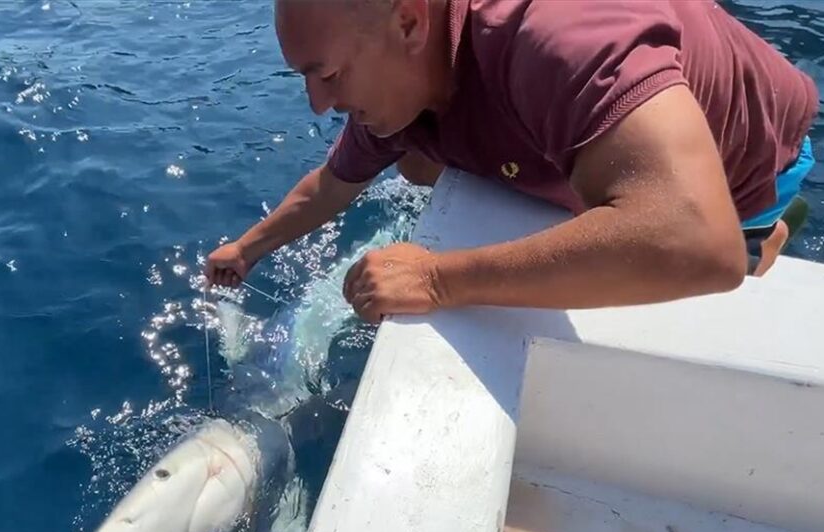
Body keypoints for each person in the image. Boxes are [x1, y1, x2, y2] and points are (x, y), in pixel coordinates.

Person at [203, 0, 818, 324]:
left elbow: (695, 243)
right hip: (563, 129)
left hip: (746, 164)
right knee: (415, 164)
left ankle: (769, 235)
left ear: (411, 22)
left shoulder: (554, 35)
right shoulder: (397, 90)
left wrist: (438, 279)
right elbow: (331, 187)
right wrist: (248, 248)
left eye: (328, 74)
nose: (318, 105)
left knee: (734, 260)